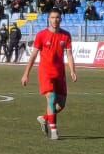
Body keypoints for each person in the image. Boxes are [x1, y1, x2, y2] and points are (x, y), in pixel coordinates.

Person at [20, 8, 78, 140]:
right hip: (46, 72)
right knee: (51, 99)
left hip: (60, 73)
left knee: (60, 105)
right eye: (52, 17)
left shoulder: (66, 35)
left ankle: (44, 118)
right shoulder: (41, 35)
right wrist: (26, 74)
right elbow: (33, 55)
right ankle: (54, 131)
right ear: (48, 19)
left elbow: (69, 54)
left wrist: (72, 70)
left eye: (57, 17)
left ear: (60, 19)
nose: (55, 20)